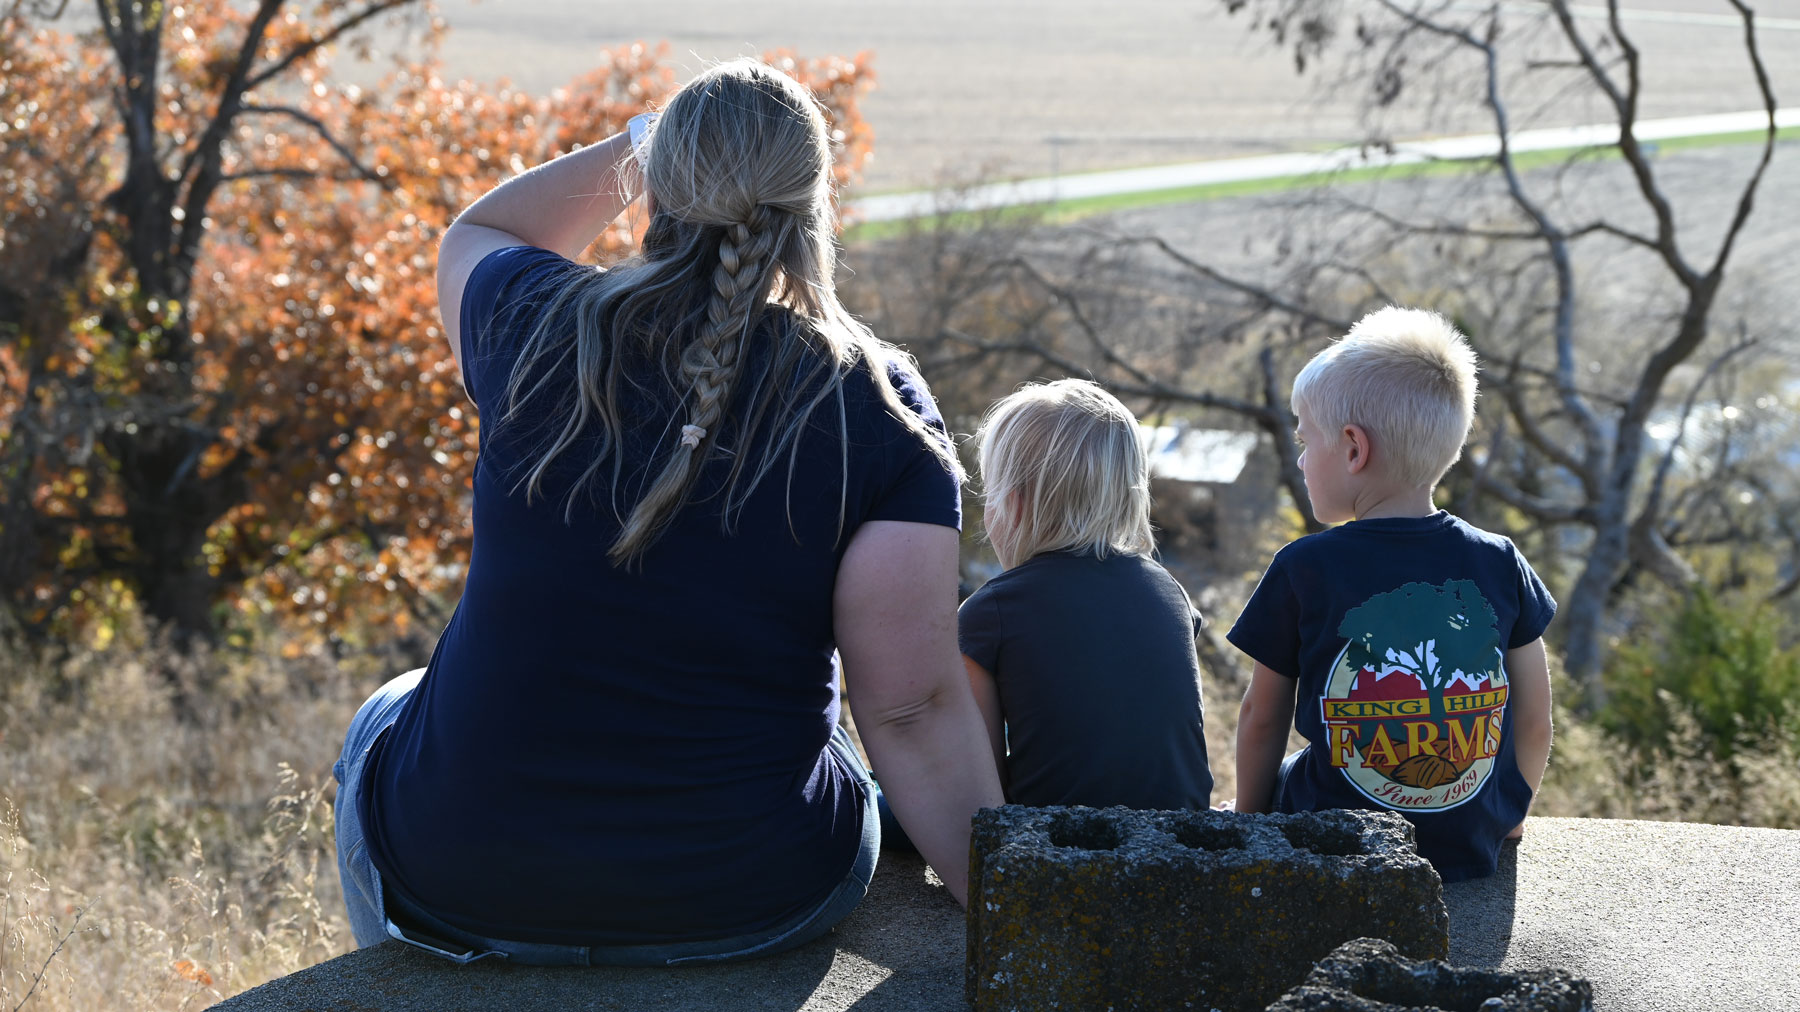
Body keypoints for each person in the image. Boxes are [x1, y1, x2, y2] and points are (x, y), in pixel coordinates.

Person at [331, 59, 1003, 966]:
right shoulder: (879, 406)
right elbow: (913, 709)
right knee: (828, 736)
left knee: (389, 706)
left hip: (458, 879)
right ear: (812, 207)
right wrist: (1017, 919)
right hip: (755, 895)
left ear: (659, 185)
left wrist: (641, 140)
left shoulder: (531, 323)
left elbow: (484, 230)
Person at [1224, 307, 1554, 882]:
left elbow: (1260, 718)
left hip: (1335, 842)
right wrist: (1508, 816)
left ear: (1353, 449)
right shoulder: (1500, 560)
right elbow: (1533, 717)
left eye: (1305, 441)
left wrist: (1248, 824)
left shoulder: (1304, 567)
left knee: (1289, 769)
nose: (1300, 460)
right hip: (1468, 843)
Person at [955, 379, 1214, 810]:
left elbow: (980, 791)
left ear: (1013, 503)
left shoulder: (991, 612)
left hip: (1056, 843)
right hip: (1184, 837)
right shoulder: (1170, 592)